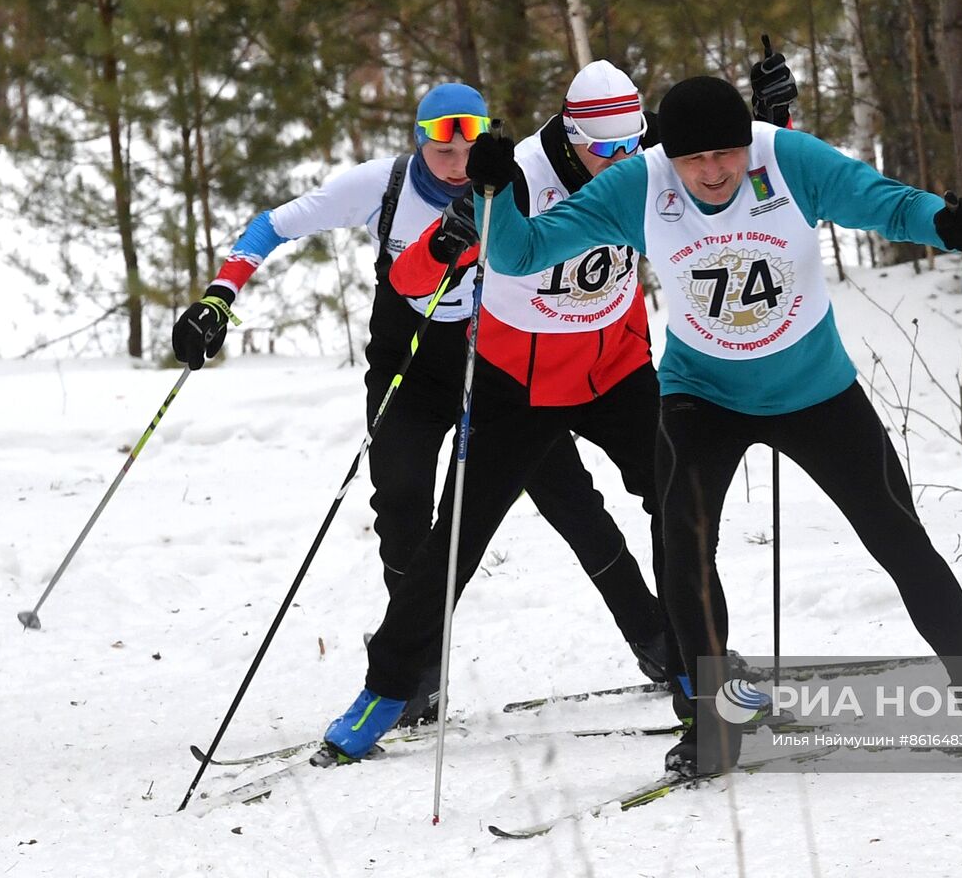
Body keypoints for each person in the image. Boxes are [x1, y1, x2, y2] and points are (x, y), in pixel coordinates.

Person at [463, 74, 962, 777]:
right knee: (686, 551)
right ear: (669, 154)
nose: (716, 172)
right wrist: (497, 194)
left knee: (901, 540)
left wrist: (940, 222)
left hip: (815, 388)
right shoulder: (638, 183)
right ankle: (712, 724)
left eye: (728, 153)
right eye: (696, 160)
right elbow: (518, 253)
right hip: (703, 396)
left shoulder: (785, 157)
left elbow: (877, 200)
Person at [319, 58, 801, 761]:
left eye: (630, 144)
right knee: (455, 542)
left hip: (618, 371)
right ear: (571, 135)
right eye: (603, 149)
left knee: (681, 508)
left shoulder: (649, 155)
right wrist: (449, 238)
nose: (618, 160)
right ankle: (389, 688)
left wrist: (773, 123)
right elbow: (408, 279)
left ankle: (700, 673)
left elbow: (739, 181)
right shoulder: (515, 175)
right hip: (521, 383)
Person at [170, 83, 669, 728]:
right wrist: (219, 297)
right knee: (402, 499)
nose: (456, 149)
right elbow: (275, 224)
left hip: (492, 366)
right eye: (440, 134)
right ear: (419, 136)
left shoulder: (512, 180)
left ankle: (655, 638)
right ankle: (416, 675)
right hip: (408, 363)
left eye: (470, 132)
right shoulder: (383, 186)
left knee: (570, 500)